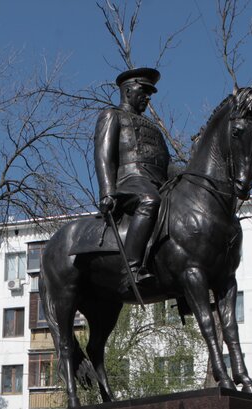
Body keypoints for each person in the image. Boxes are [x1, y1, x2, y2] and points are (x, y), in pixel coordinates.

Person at [94, 66, 170, 287]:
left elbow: (167, 164)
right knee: (150, 200)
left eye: (149, 94)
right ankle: (131, 270)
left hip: (158, 182)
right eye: (143, 91)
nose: (147, 98)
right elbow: (103, 155)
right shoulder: (112, 116)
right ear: (128, 91)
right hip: (129, 181)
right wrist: (107, 192)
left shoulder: (154, 128)